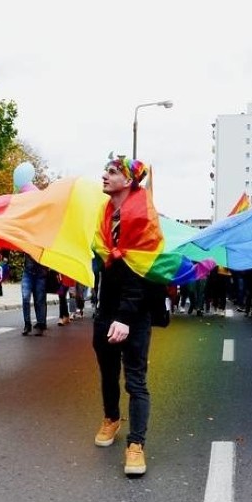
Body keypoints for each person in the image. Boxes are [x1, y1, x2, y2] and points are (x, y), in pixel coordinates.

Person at [91, 156, 161, 476]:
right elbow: (107, 265)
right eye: (106, 170)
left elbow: (140, 272)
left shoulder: (144, 217)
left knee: (135, 379)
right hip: (107, 308)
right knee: (107, 371)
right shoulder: (105, 216)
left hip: (135, 311)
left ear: (129, 181)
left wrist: (125, 317)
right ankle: (111, 418)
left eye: (112, 172)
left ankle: (136, 444)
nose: (105, 175)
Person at [20, 254, 48, 336]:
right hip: (28, 273)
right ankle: (27, 324)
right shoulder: (28, 241)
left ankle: (41, 324)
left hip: (41, 274)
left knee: (40, 299)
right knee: (25, 297)